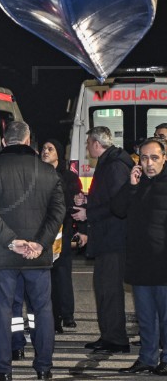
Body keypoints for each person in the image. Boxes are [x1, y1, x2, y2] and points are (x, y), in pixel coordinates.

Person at [0, 121, 65, 381]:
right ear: (28, 141)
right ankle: (44, 368)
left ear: (4, 142)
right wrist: (39, 243)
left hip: (3, 254)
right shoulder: (48, 172)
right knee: (42, 310)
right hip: (38, 256)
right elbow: (58, 212)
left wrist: (11, 241)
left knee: (2, 309)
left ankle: (3, 370)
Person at [76, 126, 133, 354]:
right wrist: (88, 199)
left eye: (88, 143)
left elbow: (118, 204)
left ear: (97, 144)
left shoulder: (115, 166)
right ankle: (109, 335)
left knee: (109, 289)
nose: (87, 147)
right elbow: (108, 197)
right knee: (103, 288)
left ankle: (116, 339)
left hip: (114, 239)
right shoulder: (109, 163)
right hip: (108, 237)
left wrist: (88, 213)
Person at [112, 138, 167, 375]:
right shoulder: (137, 183)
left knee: (165, 318)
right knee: (145, 317)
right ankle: (147, 359)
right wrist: (131, 185)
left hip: (163, 262)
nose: (149, 163)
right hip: (139, 262)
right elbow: (118, 209)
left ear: (165, 158)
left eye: (154, 157)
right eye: (144, 158)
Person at [39, 139, 82, 333]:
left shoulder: (68, 177)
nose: (45, 152)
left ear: (59, 153)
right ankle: (51, 314)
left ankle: (67, 314)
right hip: (43, 227)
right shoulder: (37, 173)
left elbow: (75, 202)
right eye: (43, 149)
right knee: (46, 271)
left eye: (50, 149)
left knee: (62, 271)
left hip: (62, 228)